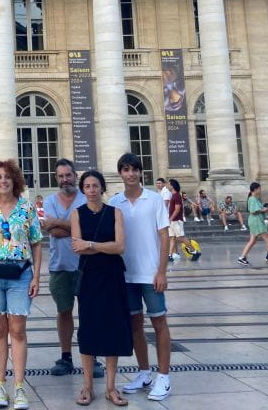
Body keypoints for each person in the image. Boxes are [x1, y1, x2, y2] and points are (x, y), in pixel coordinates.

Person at [0, 159, 42, 410]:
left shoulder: (27, 208)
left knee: (18, 330)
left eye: (7, 176)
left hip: (20, 274)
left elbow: (36, 242)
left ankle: (19, 386)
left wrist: (36, 276)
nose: (3, 181)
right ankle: (1, 385)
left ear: (15, 180)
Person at [108, 153, 172, 402]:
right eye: (126, 170)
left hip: (150, 273)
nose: (131, 174)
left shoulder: (154, 199)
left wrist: (162, 271)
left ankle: (163, 376)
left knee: (159, 323)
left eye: (135, 169)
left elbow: (165, 236)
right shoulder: (115, 202)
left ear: (140, 173)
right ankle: (144, 372)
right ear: (120, 174)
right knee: (135, 325)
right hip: (126, 274)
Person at [70, 170, 131, 407]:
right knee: (88, 329)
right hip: (90, 278)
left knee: (112, 328)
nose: (92, 190)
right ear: (82, 190)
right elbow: (78, 248)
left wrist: (91, 244)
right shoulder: (77, 213)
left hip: (112, 276)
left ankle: (110, 387)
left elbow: (120, 247)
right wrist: (102, 246)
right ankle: (87, 386)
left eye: (95, 186)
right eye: (87, 186)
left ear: (102, 188)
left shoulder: (115, 212)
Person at [42, 159, 101, 378]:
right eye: (61, 176)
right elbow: (53, 231)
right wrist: (77, 228)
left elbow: (90, 229)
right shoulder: (49, 200)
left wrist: (60, 223)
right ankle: (65, 356)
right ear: (56, 178)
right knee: (64, 311)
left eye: (68, 175)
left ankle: (92, 357)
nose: (65, 179)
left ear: (75, 176)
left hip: (87, 264)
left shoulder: (86, 198)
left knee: (89, 313)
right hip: (60, 266)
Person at [236, 182, 268, 267]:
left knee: (253, 241)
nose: (260, 190)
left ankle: (242, 257)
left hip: (255, 221)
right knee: (267, 239)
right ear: (255, 189)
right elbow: (253, 211)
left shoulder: (254, 198)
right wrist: (264, 210)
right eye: (259, 188)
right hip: (256, 221)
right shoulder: (252, 199)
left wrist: (264, 209)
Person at [167, 179, 200, 261]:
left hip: (176, 220)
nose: (167, 186)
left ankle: (195, 251)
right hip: (172, 220)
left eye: (168, 184)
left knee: (181, 237)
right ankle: (170, 255)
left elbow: (177, 209)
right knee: (172, 237)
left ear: (172, 186)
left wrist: (170, 219)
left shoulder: (177, 196)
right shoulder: (173, 195)